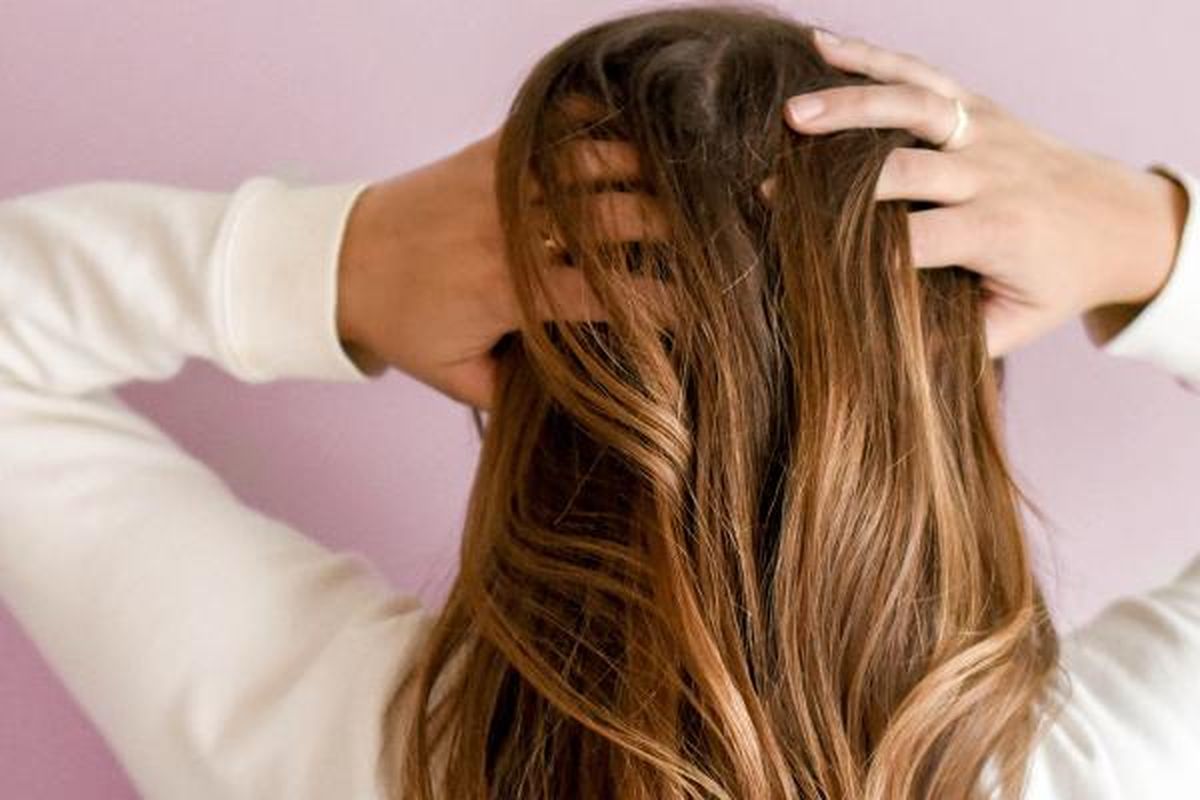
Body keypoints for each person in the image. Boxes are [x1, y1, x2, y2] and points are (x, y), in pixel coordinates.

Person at [0, 7, 1194, 800]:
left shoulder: (325, 744)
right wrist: (1147, 237)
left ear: (518, 369)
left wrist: (345, 258)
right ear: (950, 386)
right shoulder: (1113, 767)